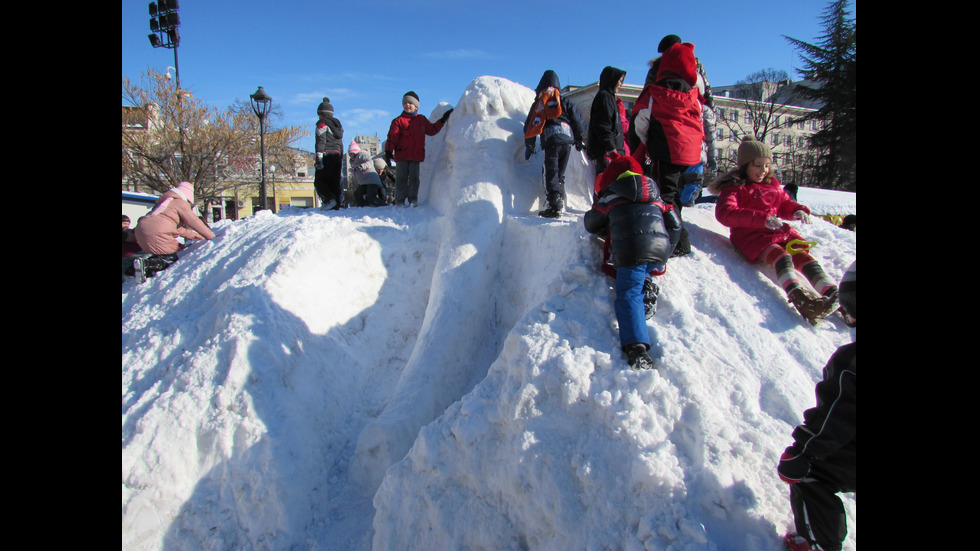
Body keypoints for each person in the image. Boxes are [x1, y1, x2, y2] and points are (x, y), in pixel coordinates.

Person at [709, 137, 839, 325]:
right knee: (781, 256)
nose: (764, 171)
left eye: (767, 166)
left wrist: (797, 210)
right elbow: (725, 212)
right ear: (745, 165)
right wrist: (763, 219)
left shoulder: (773, 185)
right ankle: (801, 299)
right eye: (758, 165)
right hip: (750, 236)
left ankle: (834, 294)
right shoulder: (735, 188)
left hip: (777, 231)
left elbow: (784, 203)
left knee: (802, 255)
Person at [778, 262, 855, 551]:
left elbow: (835, 418)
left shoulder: (851, 363)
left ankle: (818, 543)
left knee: (810, 473)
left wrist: (803, 453)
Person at [583, 155, 681, 370]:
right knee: (641, 270)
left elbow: (591, 223)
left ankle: (637, 347)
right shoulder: (656, 193)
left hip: (631, 250)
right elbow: (674, 223)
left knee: (628, 293)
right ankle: (647, 279)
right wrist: (666, 250)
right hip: (658, 248)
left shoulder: (611, 194)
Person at [631, 39, 705, 258]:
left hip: (667, 151)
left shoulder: (656, 94)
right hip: (691, 154)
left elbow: (640, 123)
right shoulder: (694, 97)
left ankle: (677, 243)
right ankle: (674, 232)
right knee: (676, 196)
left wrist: (645, 144)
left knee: (666, 196)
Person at [523, 70, 585, 218]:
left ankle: (554, 205)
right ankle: (560, 201)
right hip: (567, 141)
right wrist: (578, 138)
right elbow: (577, 119)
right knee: (560, 174)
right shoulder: (564, 101)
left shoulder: (540, 103)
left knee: (551, 173)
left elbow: (530, 125)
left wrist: (530, 144)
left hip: (552, 141)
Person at [383, 91, 453, 207]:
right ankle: (400, 201)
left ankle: (413, 200)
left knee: (415, 179)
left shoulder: (421, 120)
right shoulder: (398, 121)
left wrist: (442, 120)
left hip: (416, 156)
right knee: (401, 179)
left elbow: (432, 130)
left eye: (410, 103)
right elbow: (392, 137)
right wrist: (388, 151)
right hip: (402, 156)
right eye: (405, 103)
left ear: (416, 106)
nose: (407, 105)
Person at [134, 182, 215, 255]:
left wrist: (194, 235)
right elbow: (194, 221)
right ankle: (157, 264)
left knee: (156, 252)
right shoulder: (180, 203)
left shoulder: (164, 202)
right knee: (175, 251)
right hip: (158, 233)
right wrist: (212, 237)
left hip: (140, 232)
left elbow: (174, 228)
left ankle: (147, 263)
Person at [586, 66, 627, 179]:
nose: (621, 84)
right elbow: (603, 126)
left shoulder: (609, 98)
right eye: (619, 80)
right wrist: (610, 150)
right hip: (606, 154)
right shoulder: (605, 97)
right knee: (607, 187)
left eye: (622, 80)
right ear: (611, 79)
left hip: (610, 153)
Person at [314, 97, 344, 210]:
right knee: (334, 181)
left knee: (320, 180)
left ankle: (328, 200)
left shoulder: (321, 124)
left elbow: (321, 140)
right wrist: (340, 157)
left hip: (326, 154)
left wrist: (319, 157)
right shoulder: (338, 126)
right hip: (337, 155)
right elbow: (340, 144)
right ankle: (336, 204)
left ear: (321, 113)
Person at [348, 140, 388, 207]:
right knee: (357, 194)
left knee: (370, 198)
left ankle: (384, 207)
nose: (350, 155)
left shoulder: (362, 154)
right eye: (349, 154)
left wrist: (361, 166)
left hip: (372, 181)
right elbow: (358, 171)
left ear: (355, 152)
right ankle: (363, 208)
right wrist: (353, 171)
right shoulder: (353, 161)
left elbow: (370, 162)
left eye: (351, 153)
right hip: (364, 182)